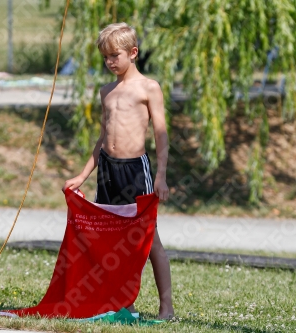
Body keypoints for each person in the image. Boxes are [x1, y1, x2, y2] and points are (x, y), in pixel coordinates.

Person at [63, 22, 174, 319]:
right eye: (105, 57)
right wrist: (82, 175)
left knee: (148, 240)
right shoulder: (106, 91)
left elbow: (161, 134)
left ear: (133, 52)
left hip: (135, 170)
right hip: (108, 171)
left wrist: (160, 176)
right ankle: (124, 304)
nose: (110, 62)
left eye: (115, 55)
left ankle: (167, 307)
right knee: (113, 241)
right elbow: (102, 139)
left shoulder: (149, 88)